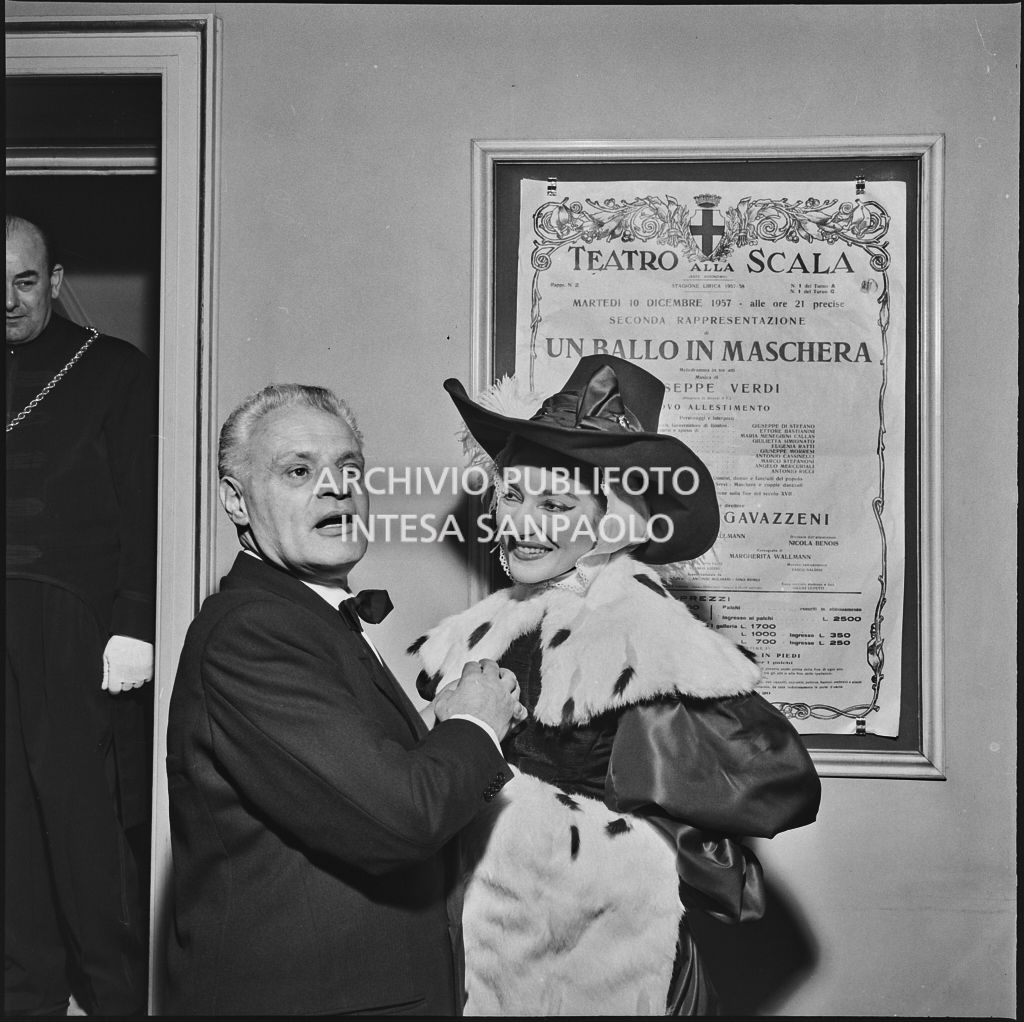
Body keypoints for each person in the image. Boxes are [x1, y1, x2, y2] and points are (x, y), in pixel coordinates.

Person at [410, 355, 822, 1015]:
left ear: (612, 521)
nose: (522, 523)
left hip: (609, 947)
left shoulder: (640, 625)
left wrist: (621, 768)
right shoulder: (489, 626)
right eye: (513, 495)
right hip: (495, 936)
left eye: (555, 503)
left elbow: (778, 782)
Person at [164, 383, 525, 1015]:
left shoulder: (311, 619)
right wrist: (473, 724)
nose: (336, 488)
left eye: (349, 469)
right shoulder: (250, 631)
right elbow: (400, 819)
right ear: (235, 499)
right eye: (298, 471)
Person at [5, 214, 156, 1015]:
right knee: (9, 834)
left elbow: (141, 501)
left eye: (25, 281)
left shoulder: (113, 370)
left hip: (71, 622)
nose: (8, 301)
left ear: (55, 281)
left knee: (83, 826)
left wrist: (135, 619)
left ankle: (114, 1000)